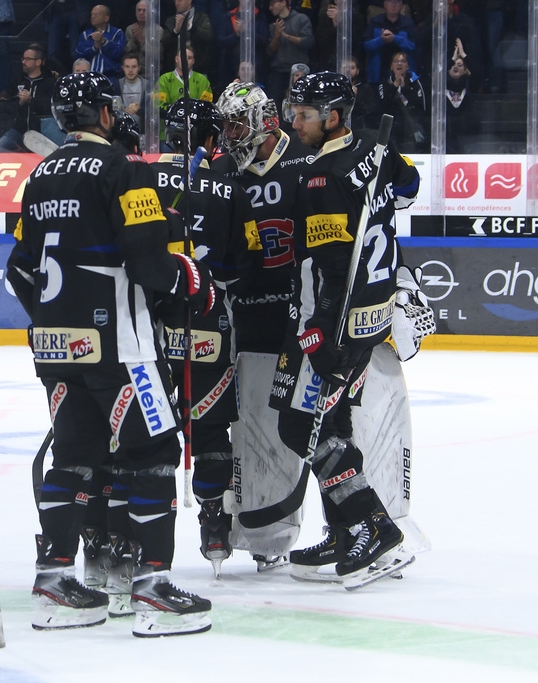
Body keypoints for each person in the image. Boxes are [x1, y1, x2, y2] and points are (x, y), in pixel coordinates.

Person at [6, 71, 213, 638]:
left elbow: (20, 269)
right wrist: (190, 280)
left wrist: (54, 317)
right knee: (151, 455)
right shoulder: (127, 170)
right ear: (101, 114)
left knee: (73, 457)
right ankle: (150, 590)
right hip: (121, 347)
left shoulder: (40, 176)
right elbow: (150, 264)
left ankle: (54, 582)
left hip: (55, 346)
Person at [276, 71, 420, 589]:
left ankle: (371, 524)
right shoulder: (372, 149)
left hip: (337, 325)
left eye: (305, 115)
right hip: (372, 314)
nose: (295, 122)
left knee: (305, 425)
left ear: (332, 117)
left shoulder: (322, 177)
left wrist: (317, 336)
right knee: (328, 425)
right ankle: (344, 529)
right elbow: (409, 188)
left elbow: (326, 270)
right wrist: (380, 173)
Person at [151, 96, 261, 578]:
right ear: (214, 140)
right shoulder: (230, 188)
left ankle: (127, 529)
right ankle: (214, 523)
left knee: (145, 427)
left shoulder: (140, 179)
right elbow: (248, 263)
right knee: (210, 428)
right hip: (207, 323)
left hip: (149, 325)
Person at [212, 80, 315, 570]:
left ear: (264, 120)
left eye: (237, 121)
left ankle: (355, 524)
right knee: (253, 431)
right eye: (226, 123)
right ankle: (262, 531)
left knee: (318, 431)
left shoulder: (307, 162)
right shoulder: (221, 172)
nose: (230, 132)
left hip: (304, 323)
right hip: (249, 319)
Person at [0, 43, 56, 152]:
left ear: (38, 62)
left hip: (42, 133)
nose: (23, 62)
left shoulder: (49, 82)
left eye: (28, 59)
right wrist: (20, 103)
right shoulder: (19, 81)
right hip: (18, 131)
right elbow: (8, 107)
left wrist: (31, 100)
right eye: (23, 59)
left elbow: (50, 108)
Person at [155, 45, 213, 141]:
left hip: (194, 136)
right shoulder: (164, 79)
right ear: (176, 59)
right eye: (182, 57)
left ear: (193, 61)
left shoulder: (202, 80)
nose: (185, 60)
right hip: (168, 137)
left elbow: (205, 107)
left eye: (189, 58)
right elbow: (157, 105)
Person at [377, 50, 427, 153]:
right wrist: (395, 85)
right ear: (391, 66)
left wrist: (405, 88)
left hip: (409, 130)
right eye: (396, 61)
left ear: (408, 66)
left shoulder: (416, 82)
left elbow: (420, 105)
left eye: (403, 61)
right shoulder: (384, 83)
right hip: (391, 131)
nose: (399, 63)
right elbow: (383, 105)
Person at [215, 0, 270, 94]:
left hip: (256, 64)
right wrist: (237, 34)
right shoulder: (228, 16)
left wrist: (246, 30)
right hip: (230, 65)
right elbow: (220, 41)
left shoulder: (260, 16)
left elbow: (264, 41)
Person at [265, 0, 314, 104]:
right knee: (275, 103)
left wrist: (286, 36)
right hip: (279, 70)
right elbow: (270, 52)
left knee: (301, 102)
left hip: (299, 70)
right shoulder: (273, 26)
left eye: (273, 4)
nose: (270, 8)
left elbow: (308, 42)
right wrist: (277, 35)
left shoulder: (301, 19)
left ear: (283, 2)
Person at [362, 0, 417, 84]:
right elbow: (366, 45)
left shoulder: (408, 23)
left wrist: (395, 38)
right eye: (390, 2)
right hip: (378, 72)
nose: (394, 5)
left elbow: (414, 46)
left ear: (402, 5)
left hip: (403, 72)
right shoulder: (375, 21)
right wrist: (381, 40)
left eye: (397, 2)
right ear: (385, 4)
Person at [162, 0, 215, 85]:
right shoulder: (171, 20)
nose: (176, 3)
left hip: (198, 69)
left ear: (189, 1)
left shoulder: (202, 17)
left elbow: (208, 37)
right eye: (175, 1)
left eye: (179, 0)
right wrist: (175, 31)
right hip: (174, 71)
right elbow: (164, 42)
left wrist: (190, 26)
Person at [74, 4, 126, 85]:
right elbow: (79, 54)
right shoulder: (85, 35)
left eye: (96, 14)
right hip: (88, 77)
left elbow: (118, 54)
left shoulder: (117, 33)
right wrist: (95, 48)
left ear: (106, 18)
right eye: (92, 14)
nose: (93, 17)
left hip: (111, 76)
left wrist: (104, 41)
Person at [118, 53, 145, 129]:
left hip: (141, 129)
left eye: (134, 67)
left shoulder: (147, 85)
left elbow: (151, 110)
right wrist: (124, 110)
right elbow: (113, 109)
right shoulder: (117, 85)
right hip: (122, 128)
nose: (130, 70)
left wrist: (139, 109)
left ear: (139, 68)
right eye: (127, 67)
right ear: (123, 68)